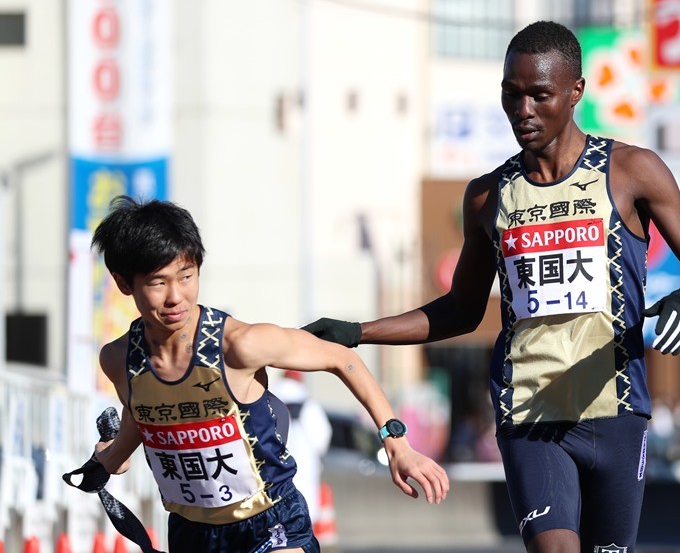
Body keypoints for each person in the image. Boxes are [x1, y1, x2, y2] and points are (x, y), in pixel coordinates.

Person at [303, 21, 680, 552]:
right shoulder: (487, 196)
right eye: (511, 93)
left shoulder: (632, 171)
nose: (522, 109)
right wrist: (355, 331)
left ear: (575, 92)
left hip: (616, 410)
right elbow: (460, 309)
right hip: (529, 412)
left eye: (539, 95)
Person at [89, 195, 449, 553]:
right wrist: (111, 457)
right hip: (191, 531)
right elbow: (146, 416)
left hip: (271, 521)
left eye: (186, 276)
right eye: (157, 282)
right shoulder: (118, 359)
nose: (175, 297)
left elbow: (344, 360)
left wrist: (396, 440)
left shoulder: (240, 344)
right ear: (124, 283)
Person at [272, 370, 333, 527]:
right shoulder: (308, 404)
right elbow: (322, 437)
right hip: (304, 466)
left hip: (274, 469)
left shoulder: (269, 399)